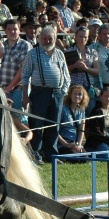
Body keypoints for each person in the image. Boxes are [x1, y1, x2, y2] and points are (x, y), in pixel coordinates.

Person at [21, 25, 70, 162]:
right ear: (39, 39)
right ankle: (36, 153)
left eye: (50, 38)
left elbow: (66, 76)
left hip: (57, 93)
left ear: (55, 39)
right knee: (37, 124)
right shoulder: (32, 54)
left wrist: (63, 91)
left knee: (54, 125)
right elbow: (25, 75)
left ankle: (51, 155)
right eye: (45, 38)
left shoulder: (59, 54)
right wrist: (25, 96)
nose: (47, 41)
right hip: (39, 92)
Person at [57, 85, 88, 156]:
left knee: (85, 158)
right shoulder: (62, 109)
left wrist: (79, 144)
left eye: (79, 94)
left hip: (75, 143)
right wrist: (66, 144)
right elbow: (55, 130)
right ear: (70, 95)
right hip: (63, 142)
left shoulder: (82, 110)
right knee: (75, 158)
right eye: (75, 94)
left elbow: (81, 130)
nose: (77, 96)